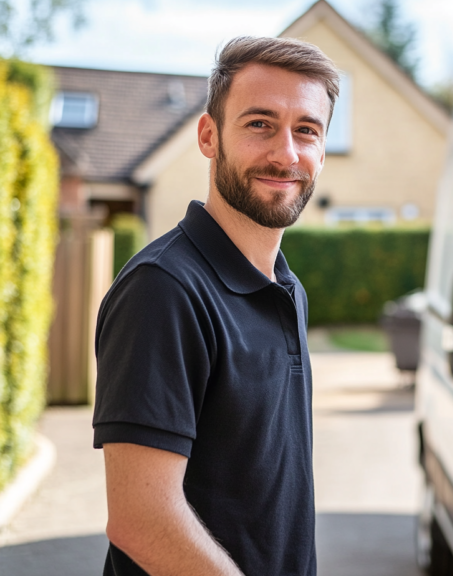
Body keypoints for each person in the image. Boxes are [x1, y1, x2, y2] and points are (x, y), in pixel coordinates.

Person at [92, 36, 340, 576]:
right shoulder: (164, 289)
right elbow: (141, 518)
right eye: (259, 124)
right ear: (209, 135)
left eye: (307, 130)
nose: (286, 153)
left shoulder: (285, 286)